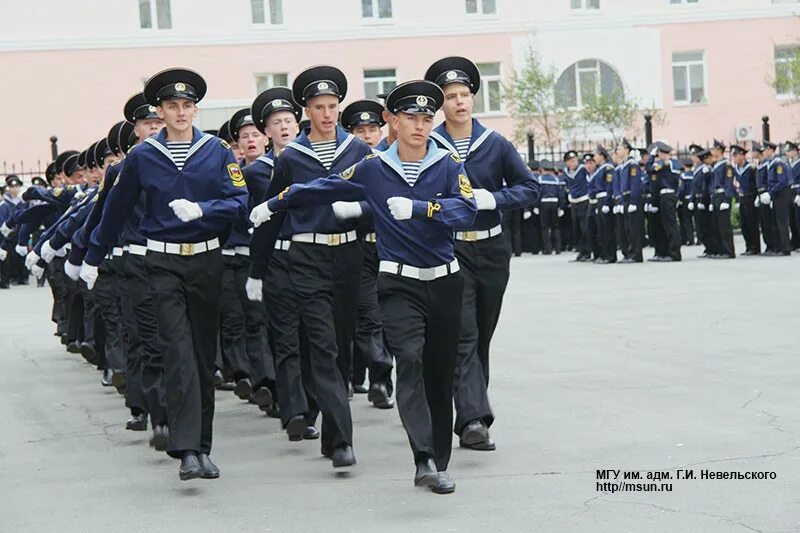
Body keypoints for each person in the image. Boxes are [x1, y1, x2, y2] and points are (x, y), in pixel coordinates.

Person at [250, 79, 477, 494]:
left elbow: (467, 209)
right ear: (391, 120)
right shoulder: (375, 167)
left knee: (439, 376)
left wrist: (424, 208)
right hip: (398, 284)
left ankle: (438, 457)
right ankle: (424, 458)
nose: (420, 126)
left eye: (427, 118)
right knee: (408, 361)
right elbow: (325, 186)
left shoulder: (446, 164)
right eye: (411, 117)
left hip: (445, 282)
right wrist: (274, 204)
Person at [81, 68, 248, 481]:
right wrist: (92, 255)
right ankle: (187, 450)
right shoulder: (143, 156)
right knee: (177, 350)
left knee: (202, 355)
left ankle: (201, 446)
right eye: (171, 106)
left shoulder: (216, 151)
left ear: (195, 109)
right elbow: (115, 210)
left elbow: (239, 200)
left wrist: (205, 211)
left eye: (187, 106)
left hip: (206, 261)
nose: (180, 113)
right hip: (162, 262)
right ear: (159, 111)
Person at [247, 65, 369, 467]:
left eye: (333, 105)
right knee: (322, 346)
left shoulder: (358, 151)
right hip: (306, 258)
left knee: (342, 345)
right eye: (320, 107)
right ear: (307, 111)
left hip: (348, 255)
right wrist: (257, 270)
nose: (329, 114)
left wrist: (360, 210)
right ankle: (343, 442)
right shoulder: (292, 158)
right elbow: (273, 214)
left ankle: (332, 432)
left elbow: (379, 202)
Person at [424, 56, 538, 450]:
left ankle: (471, 404)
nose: (459, 102)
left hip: (491, 248)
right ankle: (474, 420)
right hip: (450, 249)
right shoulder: (429, 146)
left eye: (464, 95)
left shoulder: (496, 144)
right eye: (451, 96)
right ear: (442, 103)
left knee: (481, 334)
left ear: (473, 98)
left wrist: (493, 197)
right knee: (464, 334)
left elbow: (529, 188)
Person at [338, 97, 396, 406]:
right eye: (360, 130)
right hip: (361, 248)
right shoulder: (351, 166)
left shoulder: (394, 159)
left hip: (390, 247)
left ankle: (377, 376)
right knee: (368, 316)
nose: (367, 135)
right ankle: (380, 380)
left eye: (372, 128)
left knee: (390, 318)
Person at [646, 142, 682, 262]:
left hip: (668, 195)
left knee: (670, 225)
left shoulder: (666, 163)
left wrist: (651, 158)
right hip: (664, 195)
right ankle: (665, 252)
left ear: (662, 153)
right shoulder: (670, 163)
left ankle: (674, 253)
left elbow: (649, 169)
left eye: (658, 153)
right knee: (664, 225)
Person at [760, 141, 792, 256]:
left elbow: (781, 181)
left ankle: (785, 248)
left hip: (781, 194)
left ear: (771, 150)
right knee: (775, 221)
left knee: (781, 221)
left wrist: (771, 193)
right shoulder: (771, 162)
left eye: (765, 150)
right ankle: (778, 247)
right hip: (776, 194)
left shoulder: (778, 163)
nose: (764, 152)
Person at [562, 150, 591, 262]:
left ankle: (587, 252)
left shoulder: (583, 169)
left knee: (585, 228)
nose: (574, 163)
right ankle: (581, 251)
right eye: (571, 161)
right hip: (573, 202)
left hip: (583, 200)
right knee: (576, 228)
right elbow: (567, 185)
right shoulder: (566, 172)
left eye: (575, 160)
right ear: (567, 162)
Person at [732, 145, 760, 255]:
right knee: (744, 224)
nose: (735, 158)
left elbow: (756, 183)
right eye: (734, 156)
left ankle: (755, 247)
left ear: (743, 156)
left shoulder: (751, 168)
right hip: (742, 197)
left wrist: (758, 195)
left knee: (752, 223)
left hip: (751, 197)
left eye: (736, 155)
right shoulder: (736, 170)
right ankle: (748, 246)